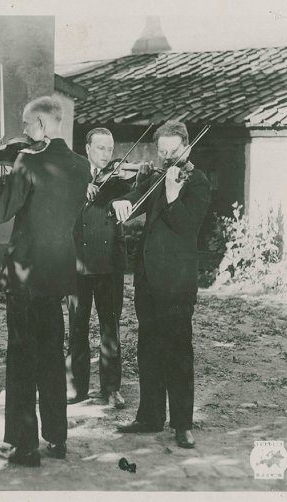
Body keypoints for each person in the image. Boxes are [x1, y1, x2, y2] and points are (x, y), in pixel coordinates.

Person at [0, 96, 89, 467]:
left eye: (28, 125)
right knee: (51, 356)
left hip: (25, 275)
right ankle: (57, 436)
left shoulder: (27, 161)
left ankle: (23, 444)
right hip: (57, 274)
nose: (24, 133)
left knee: (21, 359)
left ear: (44, 126)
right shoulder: (80, 166)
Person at [112, 120, 210, 449]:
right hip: (148, 279)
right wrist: (123, 200)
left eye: (174, 151)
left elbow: (186, 226)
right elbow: (133, 199)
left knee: (178, 351)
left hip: (177, 283)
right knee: (149, 348)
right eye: (162, 152)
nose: (167, 158)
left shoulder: (197, 182)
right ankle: (150, 416)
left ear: (187, 148)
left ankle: (182, 424)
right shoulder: (155, 177)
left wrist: (171, 194)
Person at [67, 128, 132, 408]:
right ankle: (76, 387)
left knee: (110, 328)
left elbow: (134, 191)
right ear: (88, 149)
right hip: (77, 263)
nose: (107, 154)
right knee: (77, 327)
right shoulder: (72, 178)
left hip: (109, 265)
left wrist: (122, 198)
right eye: (101, 148)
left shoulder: (118, 181)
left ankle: (111, 388)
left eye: (110, 148)